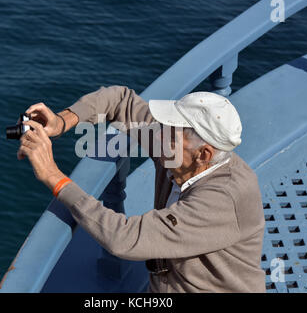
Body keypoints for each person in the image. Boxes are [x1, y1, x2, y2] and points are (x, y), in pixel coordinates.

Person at [17, 85, 266, 292]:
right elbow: (121, 101)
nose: (157, 136)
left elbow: (124, 238)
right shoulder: (178, 152)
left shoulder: (223, 200)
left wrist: (53, 176)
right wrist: (62, 121)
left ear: (203, 154)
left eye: (170, 133)